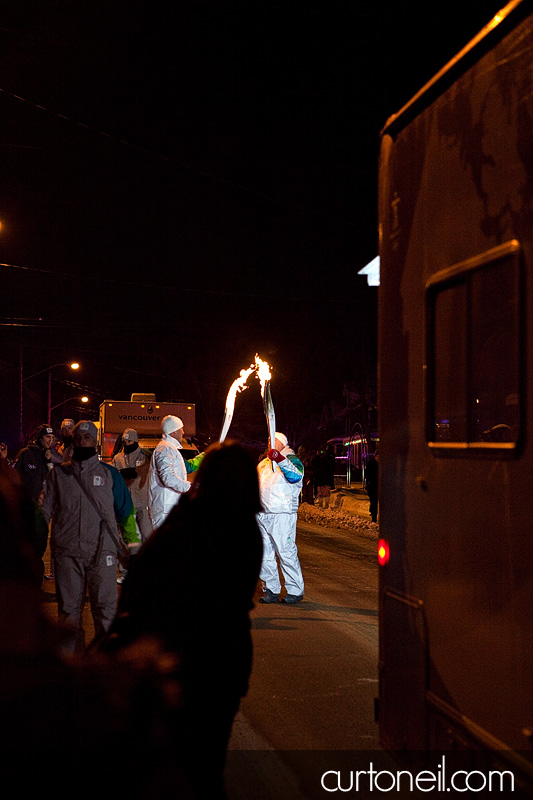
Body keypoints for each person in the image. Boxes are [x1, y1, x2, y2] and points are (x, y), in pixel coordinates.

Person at [100, 440, 263, 798]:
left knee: (178, 764)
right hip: (228, 659)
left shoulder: (193, 522)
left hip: (184, 659)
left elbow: (152, 577)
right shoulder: (247, 528)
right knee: (208, 762)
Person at [40, 420, 142, 654]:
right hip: (67, 553)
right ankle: (71, 668)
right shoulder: (59, 475)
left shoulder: (110, 475)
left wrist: (134, 549)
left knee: (105, 610)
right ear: (73, 441)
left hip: (102, 551)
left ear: (94, 442)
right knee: (68, 612)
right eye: (79, 438)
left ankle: (102, 664)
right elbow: (44, 512)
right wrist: (34, 542)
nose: (82, 441)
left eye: (87, 438)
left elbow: (126, 514)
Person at [256, 431, 305, 604]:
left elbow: (295, 476)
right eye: (268, 438)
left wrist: (280, 459)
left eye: (273, 440)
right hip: (262, 514)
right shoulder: (263, 463)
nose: (269, 441)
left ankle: (295, 590)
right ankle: (271, 589)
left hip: (282, 513)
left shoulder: (291, 459)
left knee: (286, 552)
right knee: (264, 553)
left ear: (282, 443)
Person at [148, 414, 204, 531]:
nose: (183, 432)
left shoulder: (169, 449)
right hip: (164, 509)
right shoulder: (165, 449)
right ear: (174, 432)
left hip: (169, 507)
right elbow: (168, 477)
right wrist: (190, 488)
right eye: (181, 429)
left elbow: (185, 468)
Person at [112, 428, 152, 584]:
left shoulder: (144, 456)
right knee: (127, 540)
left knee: (147, 536)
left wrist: (130, 471)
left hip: (142, 504)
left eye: (129, 441)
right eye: (125, 441)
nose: (127, 444)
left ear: (135, 441)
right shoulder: (118, 457)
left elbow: (141, 472)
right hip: (125, 506)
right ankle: (125, 571)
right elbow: (114, 475)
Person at [365, 450, 379, 524]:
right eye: (377, 456)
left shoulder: (381, 464)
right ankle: (374, 517)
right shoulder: (371, 463)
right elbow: (367, 474)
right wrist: (369, 483)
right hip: (373, 486)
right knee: (374, 502)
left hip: (379, 485)